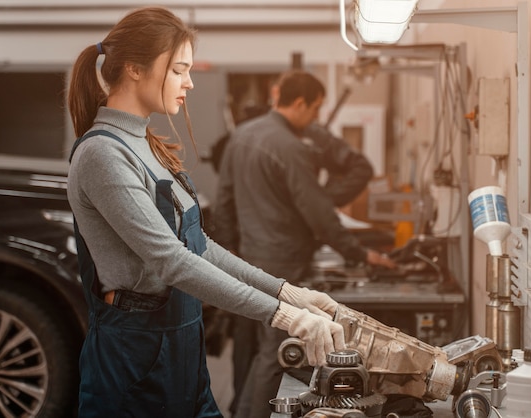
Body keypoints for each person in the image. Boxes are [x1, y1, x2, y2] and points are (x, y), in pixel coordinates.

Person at [66, 7, 348, 418]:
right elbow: (172, 261)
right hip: (133, 361)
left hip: (181, 347)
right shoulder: (102, 154)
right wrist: (284, 317)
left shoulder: (146, 143)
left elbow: (198, 246)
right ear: (134, 70)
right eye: (179, 70)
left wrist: (287, 292)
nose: (190, 82)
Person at [213, 69, 397, 418]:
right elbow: (320, 217)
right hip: (283, 265)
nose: (315, 118)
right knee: (276, 353)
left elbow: (224, 202)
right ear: (298, 103)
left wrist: (229, 249)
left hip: (250, 261)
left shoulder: (242, 135)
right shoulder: (292, 148)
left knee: (259, 349)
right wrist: (361, 254)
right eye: (314, 109)